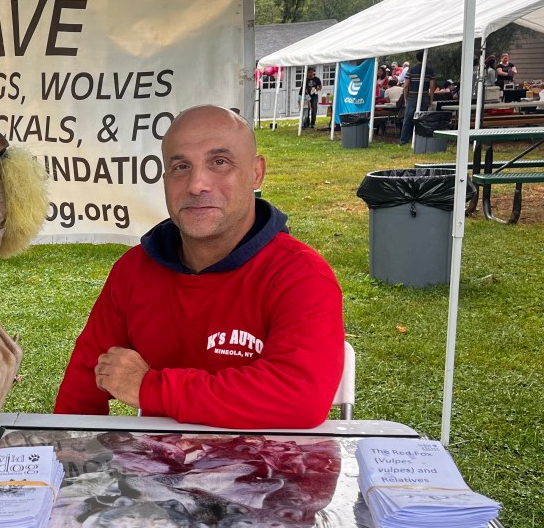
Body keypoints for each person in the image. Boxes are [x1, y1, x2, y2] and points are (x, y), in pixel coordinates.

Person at [53, 105, 345, 429]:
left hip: (266, 474)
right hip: (158, 475)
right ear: (164, 179)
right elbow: (82, 388)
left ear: (256, 173)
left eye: (219, 162)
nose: (196, 184)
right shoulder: (133, 272)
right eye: (181, 166)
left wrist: (150, 388)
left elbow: (300, 397)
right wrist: (69, 463)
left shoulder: (299, 275)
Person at [399, 60, 434, 146]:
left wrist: (405, 97)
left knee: (407, 119)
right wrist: (431, 99)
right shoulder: (430, 71)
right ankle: (421, 139)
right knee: (422, 119)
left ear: (417, 59)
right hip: (424, 96)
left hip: (412, 97)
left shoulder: (411, 70)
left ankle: (403, 140)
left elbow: (406, 85)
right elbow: (432, 86)